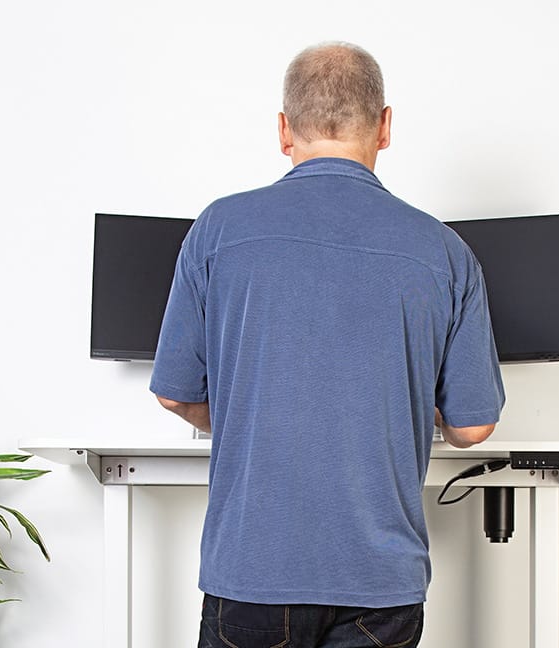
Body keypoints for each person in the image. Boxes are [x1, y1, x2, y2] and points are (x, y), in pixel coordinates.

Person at [149, 41, 506, 648]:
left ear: (284, 130)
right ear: (386, 127)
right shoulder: (444, 251)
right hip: (381, 583)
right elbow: (473, 430)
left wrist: (246, 411)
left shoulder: (217, 230)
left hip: (252, 574)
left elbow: (178, 394)